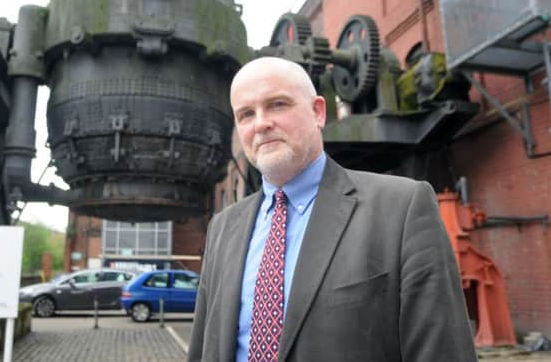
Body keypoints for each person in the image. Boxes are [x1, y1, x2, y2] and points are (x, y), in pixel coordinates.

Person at [188, 57, 477, 362]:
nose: (261, 123)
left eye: (277, 105)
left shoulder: (402, 208)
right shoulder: (222, 227)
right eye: (246, 114)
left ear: (318, 112)